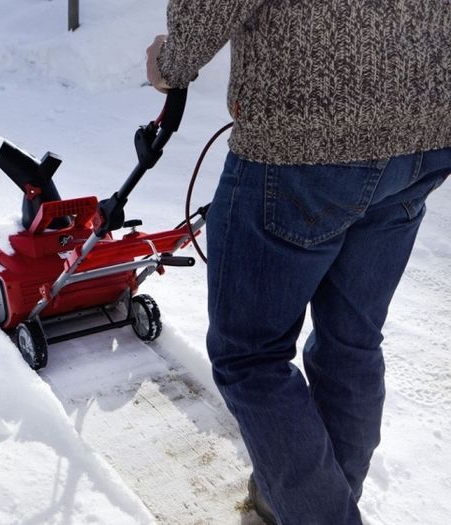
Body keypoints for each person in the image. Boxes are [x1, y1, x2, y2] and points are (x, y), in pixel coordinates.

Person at [147, 2, 451, 524]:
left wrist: (170, 61)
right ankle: (310, 498)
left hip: (303, 140)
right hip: (422, 139)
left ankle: (320, 512)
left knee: (250, 357)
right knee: (351, 342)